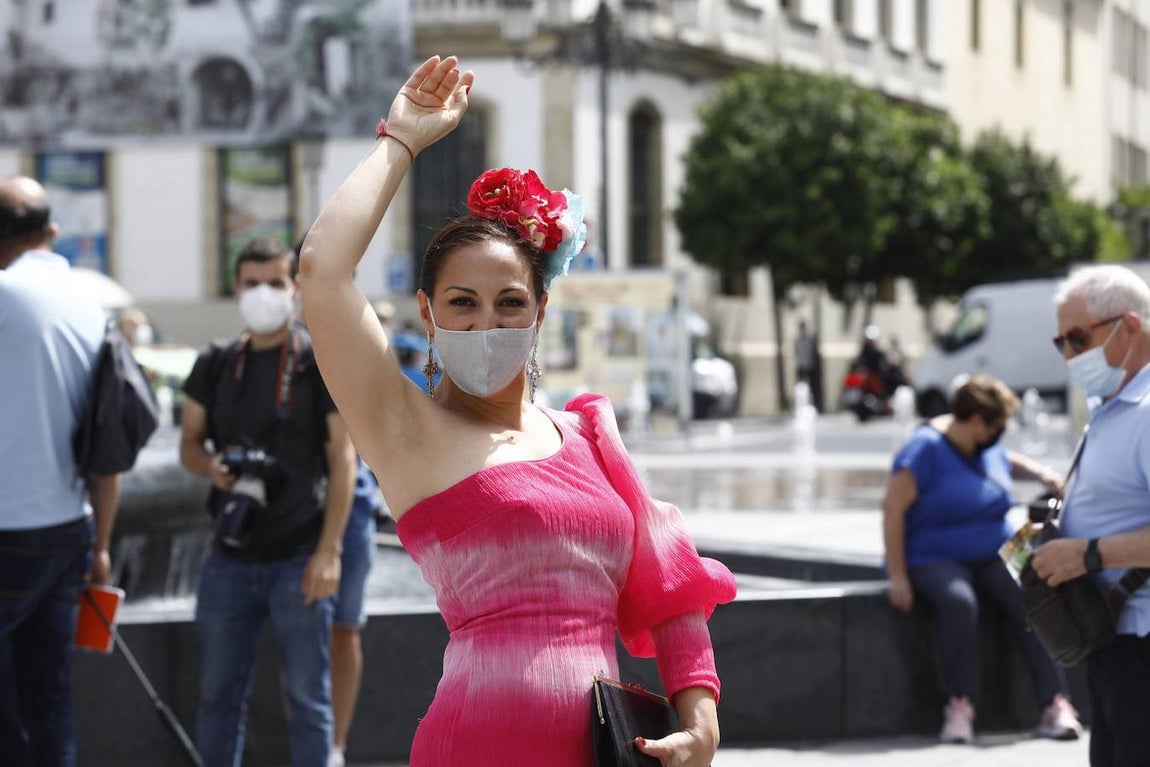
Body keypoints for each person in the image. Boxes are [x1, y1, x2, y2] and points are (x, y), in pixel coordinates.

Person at [298, 56, 736, 766]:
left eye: (509, 303)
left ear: (540, 312)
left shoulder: (590, 433)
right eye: (461, 304)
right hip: (476, 744)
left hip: (603, 749)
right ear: (426, 313)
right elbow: (322, 269)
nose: (485, 324)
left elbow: (671, 583)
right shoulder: (406, 429)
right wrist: (401, 141)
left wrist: (701, 717)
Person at [179, 236, 357, 767]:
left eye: (273, 283)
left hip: (299, 554)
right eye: (251, 283)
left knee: (307, 700)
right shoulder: (214, 362)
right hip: (229, 555)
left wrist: (329, 552)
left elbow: (342, 459)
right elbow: (190, 442)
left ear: (294, 288)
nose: (262, 294)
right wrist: (210, 467)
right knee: (215, 698)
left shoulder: (314, 361)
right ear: (235, 287)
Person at [881, 375, 1083, 744]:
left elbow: (1005, 459)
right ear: (977, 421)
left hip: (995, 547)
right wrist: (898, 575)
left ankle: (1056, 702)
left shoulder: (982, 444)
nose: (998, 435)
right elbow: (893, 510)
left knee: (1034, 595)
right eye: (996, 427)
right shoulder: (924, 450)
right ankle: (959, 705)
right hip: (935, 553)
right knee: (959, 603)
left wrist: (1043, 475)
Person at [0, 176, 120, 766]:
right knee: (49, 695)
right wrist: (100, 543)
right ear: (50, 231)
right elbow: (111, 439)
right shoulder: (88, 303)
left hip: (7, 527)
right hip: (67, 527)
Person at [1032, 264, 1150, 766]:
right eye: (1061, 343)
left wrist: (1088, 553)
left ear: (1130, 327)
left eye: (1078, 339)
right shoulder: (1112, 404)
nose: (1070, 355)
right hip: (1112, 643)